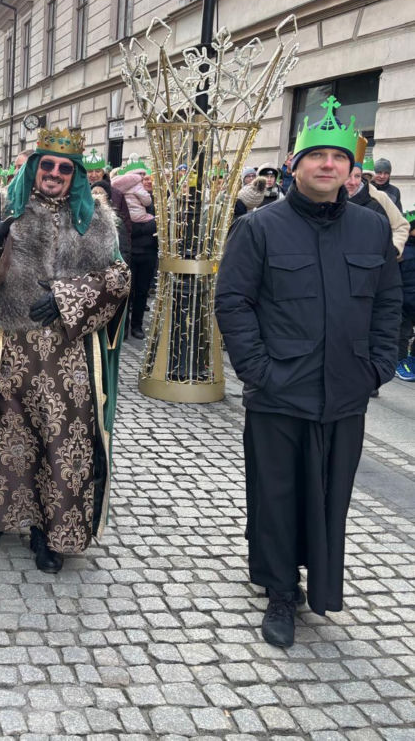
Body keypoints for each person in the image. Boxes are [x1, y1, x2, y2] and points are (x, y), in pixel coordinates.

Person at [216, 96, 401, 649]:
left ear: (351, 170)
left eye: (337, 158)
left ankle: (320, 583)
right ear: (294, 166)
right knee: (276, 493)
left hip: (345, 391)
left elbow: (389, 304)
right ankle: (279, 591)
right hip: (279, 391)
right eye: (315, 156)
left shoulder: (371, 230)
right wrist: (258, 369)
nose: (327, 165)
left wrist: (377, 367)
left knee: (328, 494)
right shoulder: (260, 228)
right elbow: (233, 303)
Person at [0, 128, 131, 574]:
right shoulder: (8, 212)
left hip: (69, 356)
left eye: (64, 169)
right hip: (11, 347)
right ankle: (2, 513)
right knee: (10, 437)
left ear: (75, 176)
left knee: (61, 443)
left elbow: (120, 280)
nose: (54, 174)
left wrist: (69, 297)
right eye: (46, 165)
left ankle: (51, 533)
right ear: (34, 169)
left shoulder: (99, 223)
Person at [112, 170, 156, 339]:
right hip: (131, 253)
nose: (148, 182)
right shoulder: (127, 198)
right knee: (127, 291)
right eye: (145, 179)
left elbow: (160, 226)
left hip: (149, 253)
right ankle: (124, 327)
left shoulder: (153, 200)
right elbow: (127, 227)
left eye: (150, 179)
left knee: (142, 291)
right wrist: (149, 226)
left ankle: (137, 325)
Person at [344, 163, 408, 257]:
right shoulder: (325, 198)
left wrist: (393, 249)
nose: (353, 182)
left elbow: (400, 226)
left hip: (374, 266)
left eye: (357, 176)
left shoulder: (380, 197)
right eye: (347, 176)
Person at [395, 214, 415, 381]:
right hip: (403, 301)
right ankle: (399, 362)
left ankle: (411, 360)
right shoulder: (403, 252)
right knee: (402, 333)